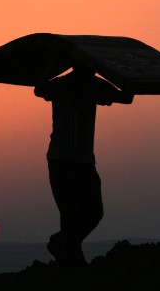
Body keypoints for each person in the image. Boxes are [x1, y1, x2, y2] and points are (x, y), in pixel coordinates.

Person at [34, 61, 134, 268]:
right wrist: (52, 65)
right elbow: (40, 90)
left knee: (94, 212)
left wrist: (123, 71)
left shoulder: (96, 85)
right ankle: (74, 261)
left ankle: (62, 243)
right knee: (70, 213)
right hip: (61, 159)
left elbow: (126, 97)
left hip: (85, 161)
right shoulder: (62, 84)